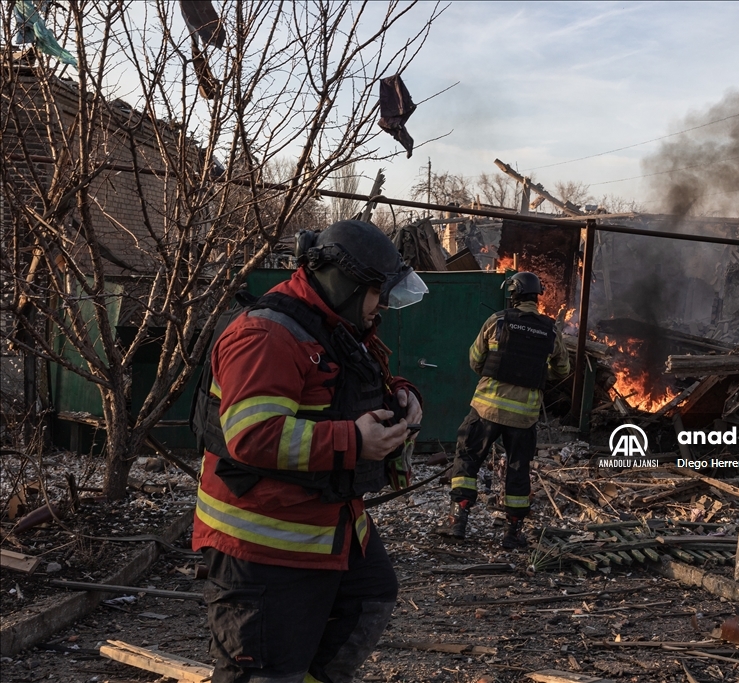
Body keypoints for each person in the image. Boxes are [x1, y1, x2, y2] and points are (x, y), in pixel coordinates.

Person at [192, 220, 427, 683]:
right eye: (378, 293)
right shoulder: (266, 336)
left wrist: (401, 393)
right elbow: (253, 434)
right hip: (261, 544)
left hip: (328, 523)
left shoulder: (333, 323)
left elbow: (350, 382)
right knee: (265, 671)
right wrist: (355, 441)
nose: (381, 307)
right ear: (346, 284)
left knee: (370, 600)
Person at [446, 271, 571, 549]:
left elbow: (475, 359)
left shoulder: (498, 321)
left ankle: (458, 520)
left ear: (513, 294)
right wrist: (535, 373)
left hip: (486, 408)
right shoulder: (550, 330)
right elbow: (563, 369)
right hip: (523, 417)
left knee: (467, 459)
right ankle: (513, 534)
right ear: (537, 297)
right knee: (518, 470)